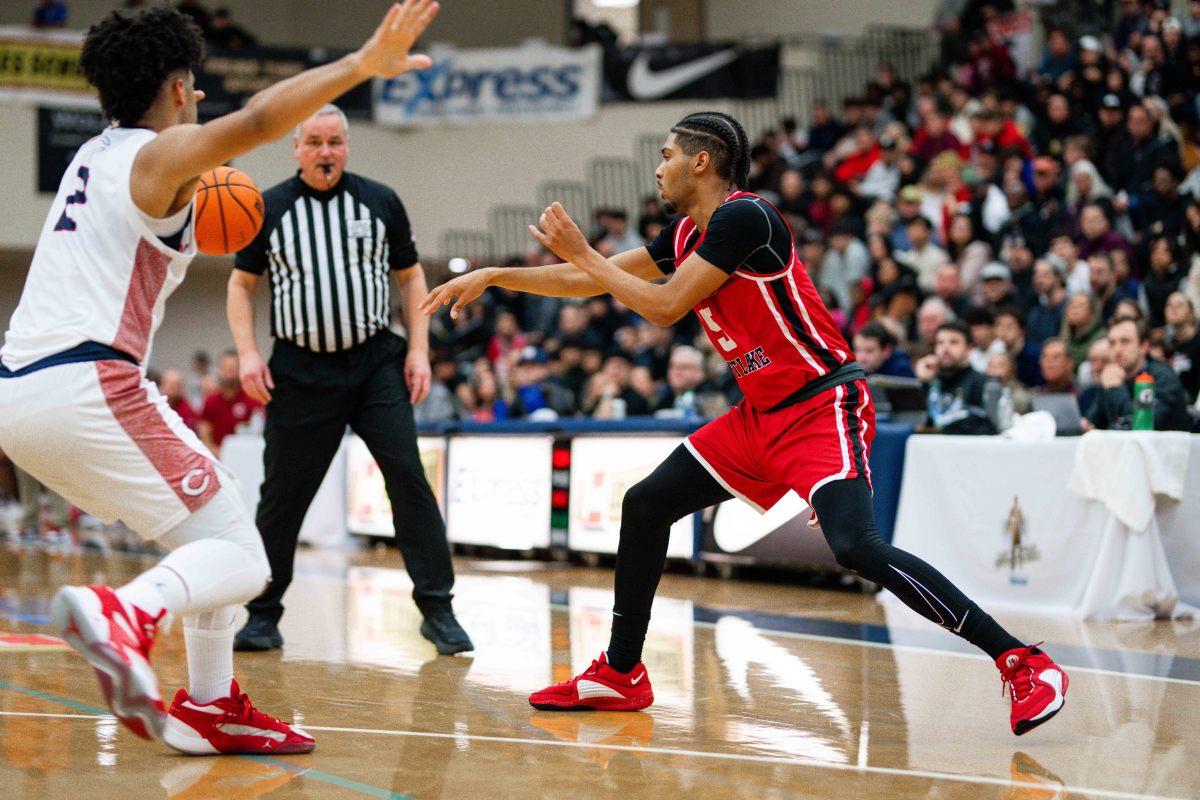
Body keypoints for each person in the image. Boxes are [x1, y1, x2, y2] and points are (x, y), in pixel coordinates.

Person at [422, 111, 1067, 736]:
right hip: (757, 418)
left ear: (701, 162)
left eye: (667, 157)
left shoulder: (745, 217)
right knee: (646, 505)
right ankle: (621, 673)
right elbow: (592, 282)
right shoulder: (683, 236)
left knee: (854, 546)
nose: (658, 171)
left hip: (820, 404)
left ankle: (1021, 661)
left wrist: (587, 252)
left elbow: (666, 306)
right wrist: (496, 275)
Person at [0, 1, 440, 755]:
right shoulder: (155, 157)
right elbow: (262, 122)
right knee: (247, 555)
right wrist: (361, 64)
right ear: (177, 88)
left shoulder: (90, 160)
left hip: (22, 393)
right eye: (196, 84)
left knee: (217, 532)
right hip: (89, 384)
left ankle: (212, 705)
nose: (201, 96)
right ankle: (126, 613)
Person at [227, 102, 470, 656]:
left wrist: (418, 350)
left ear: (346, 147)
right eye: (314, 142)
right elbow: (241, 286)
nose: (325, 152)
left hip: (374, 365)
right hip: (298, 369)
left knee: (408, 475)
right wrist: (246, 353)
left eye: (334, 141)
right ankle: (262, 614)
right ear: (296, 148)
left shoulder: (380, 200)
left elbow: (411, 280)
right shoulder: (268, 207)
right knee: (283, 497)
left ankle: (438, 610)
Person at [1083, 315, 1191, 431]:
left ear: (1144, 346)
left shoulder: (1162, 377)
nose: (1117, 350)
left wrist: (1115, 389)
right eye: (1112, 343)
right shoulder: (1113, 375)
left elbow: (1142, 425)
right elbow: (1092, 424)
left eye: (1125, 341)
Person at [197, 350, 262, 457]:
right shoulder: (211, 400)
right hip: (217, 456)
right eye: (226, 367)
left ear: (240, 369)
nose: (230, 371)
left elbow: (259, 430)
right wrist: (215, 452)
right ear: (219, 369)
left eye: (234, 367)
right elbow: (204, 431)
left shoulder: (253, 399)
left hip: (246, 456)